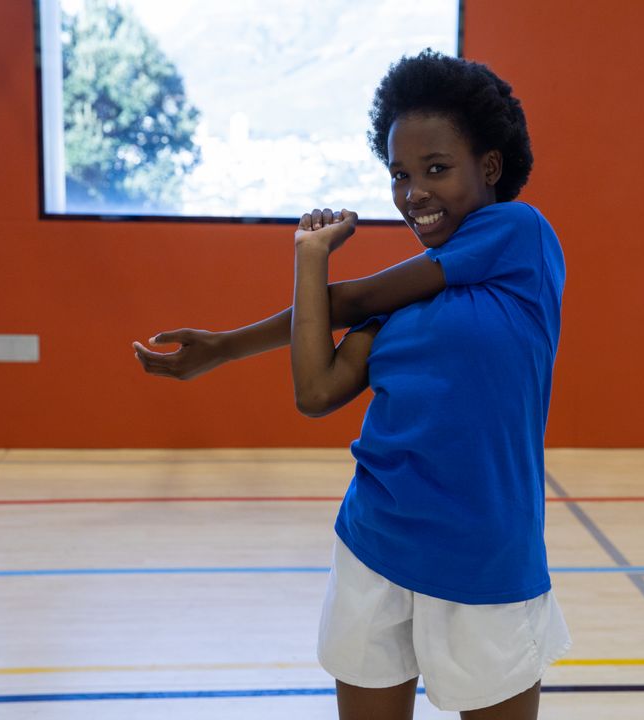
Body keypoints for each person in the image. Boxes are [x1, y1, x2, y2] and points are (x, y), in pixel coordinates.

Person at [134, 50, 569, 720]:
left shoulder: (518, 235)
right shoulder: (397, 307)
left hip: (485, 558)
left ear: (489, 166)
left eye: (436, 169)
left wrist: (227, 345)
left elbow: (353, 295)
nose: (413, 191)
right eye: (398, 174)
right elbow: (315, 391)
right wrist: (307, 256)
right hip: (376, 544)